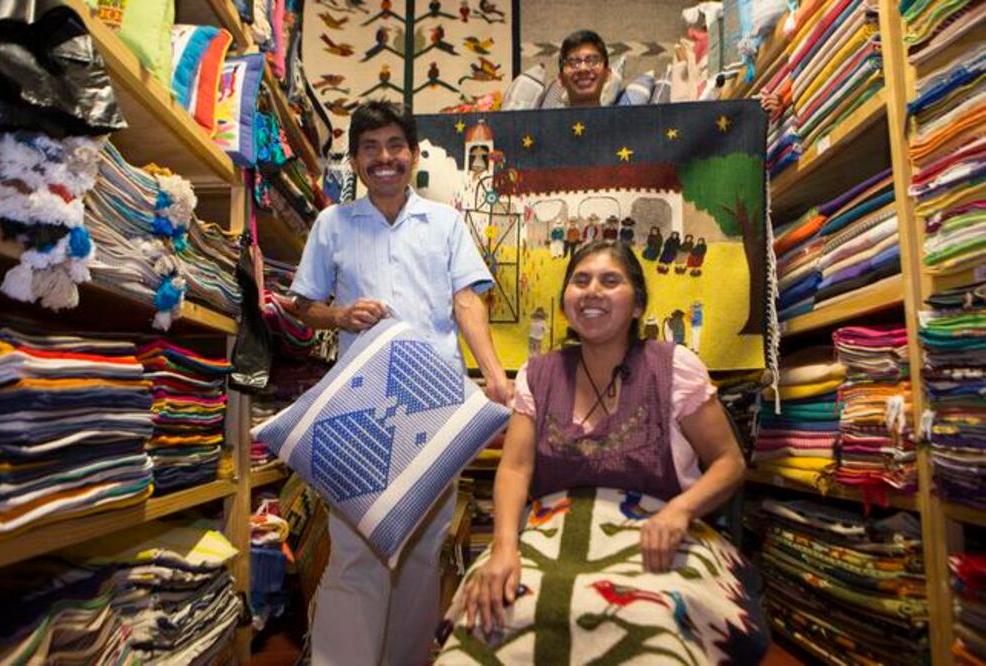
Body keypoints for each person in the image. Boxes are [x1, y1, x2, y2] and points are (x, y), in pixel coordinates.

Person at [280, 99, 511, 666]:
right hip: (360, 408)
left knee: (423, 549)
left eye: (394, 146)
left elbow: (466, 301)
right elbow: (302, 304)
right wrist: (340, 316)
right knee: (355, 548)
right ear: (356, 159)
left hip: (435, 405)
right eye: (370, 148)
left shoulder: (446, 222)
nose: (384, 158)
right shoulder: (333, 224)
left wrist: (496, 375)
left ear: (411, 153)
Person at [461, 240, 746, 634]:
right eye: (581, 280)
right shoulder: (538, 375)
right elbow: (514, 468)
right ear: (564, 304)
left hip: (658, 533)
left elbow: (729, 463)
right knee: (493, 614)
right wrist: (504, 545)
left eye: (610, 280)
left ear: (639, 305)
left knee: (653, 621)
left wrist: (680, 512)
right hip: (551, 535)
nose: (593, 290)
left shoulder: (675, 369)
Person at [557, 29, 782, 111]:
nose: (583, 68)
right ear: (560, 78)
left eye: (592, 60)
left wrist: (758, 113)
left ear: (607, 73)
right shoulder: (542, 132)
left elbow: (695, 132)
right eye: (574, 62)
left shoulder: (632, 124)